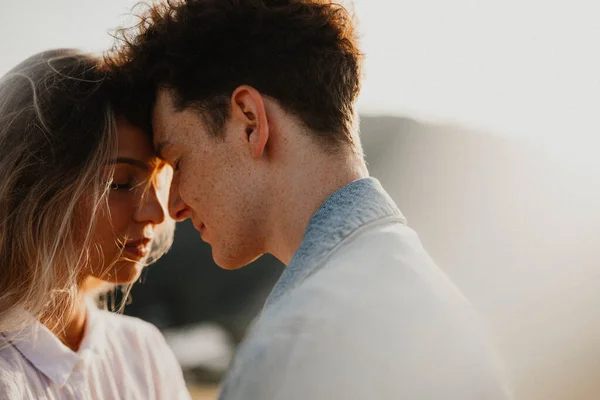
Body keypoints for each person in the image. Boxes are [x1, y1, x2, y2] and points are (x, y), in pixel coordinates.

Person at [107, 0, 512, 398]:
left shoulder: (296, 344)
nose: (173, 206)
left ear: (250, 122)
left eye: (178, 161)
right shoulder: (442, 302)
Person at [0, 49, 190, 400]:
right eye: (118, 183)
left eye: (157, 182)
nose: (155, 213)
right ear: (32, 190)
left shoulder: (142, 352)